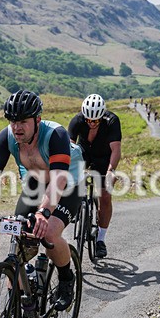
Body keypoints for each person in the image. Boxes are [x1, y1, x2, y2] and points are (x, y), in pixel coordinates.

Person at [0, 90, 84, 311]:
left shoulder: (56, 135)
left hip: (68, 184)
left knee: (48, 232)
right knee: (18, 236)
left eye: (23, 121)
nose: (17, 127)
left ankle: (67, 279)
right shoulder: (7, 136)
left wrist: (44, 212)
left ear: (37, 120)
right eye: (13, 121)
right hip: (35, 183)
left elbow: (58, 179)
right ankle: (17, 298)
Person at [67, 93, 122, 259]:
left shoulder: (111, 121)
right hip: (82, 155)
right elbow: (68, 148)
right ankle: (77, 205)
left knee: (105, 195)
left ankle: (100, 240)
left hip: (103, 158)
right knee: (71, 181)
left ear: (102, 116)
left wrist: (111, 171)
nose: (91, 123)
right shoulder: (77, 121)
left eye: (96, 120)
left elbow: (116, 150)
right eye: (88, 120)